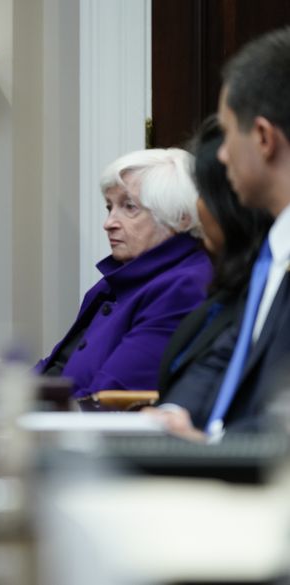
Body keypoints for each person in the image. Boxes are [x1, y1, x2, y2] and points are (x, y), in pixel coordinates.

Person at [148, 26, 290, 440]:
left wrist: (214, 446)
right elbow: (228, 355)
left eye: (228, 134)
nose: (221, 154)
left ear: (263, 138)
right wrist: (172, 416)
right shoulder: (274, 251)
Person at [35, 148, 212, 398]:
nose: (109, 223)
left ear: (181, 218)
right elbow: (57, 368)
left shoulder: (184, 286)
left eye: (129, 207)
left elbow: (111, 396)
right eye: (110, 207)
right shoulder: (115, 281)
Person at [155, 117, 271, 405]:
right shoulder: (226, 291)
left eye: (202, 193)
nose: (196, 207)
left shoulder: (267, 287)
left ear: (233, 203)